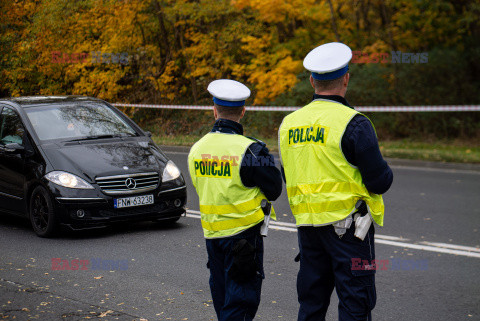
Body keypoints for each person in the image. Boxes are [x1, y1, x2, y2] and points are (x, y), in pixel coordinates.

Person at [278, 42, 393, 321]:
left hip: (308, 229)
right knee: (355, 303)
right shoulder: (354, 123)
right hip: (350, 231)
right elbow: (380, 181)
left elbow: (289, 173)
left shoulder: (288, 124)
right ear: (346, 78)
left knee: (311, 305)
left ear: (311, 81)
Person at [188, 79, 282, 321]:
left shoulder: (196, 149)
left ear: (214, 110)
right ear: (243, 111)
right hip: (243, 238)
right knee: (240, 303)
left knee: (223, 300)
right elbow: (274, 189)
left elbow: (203, 187)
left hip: (213, 237)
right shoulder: (251, 151)